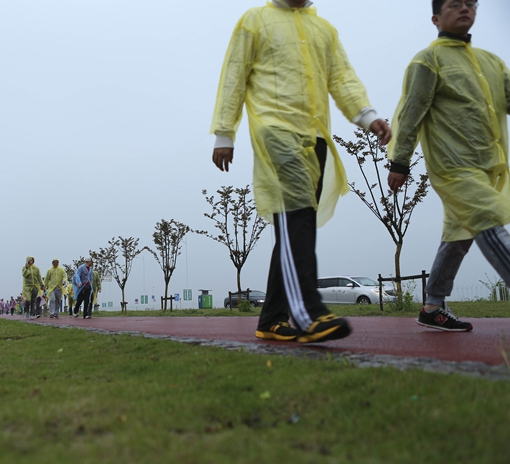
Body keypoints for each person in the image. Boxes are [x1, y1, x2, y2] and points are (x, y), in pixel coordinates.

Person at [211, 0, 391, 343]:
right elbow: (234, 75)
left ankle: (272, 319)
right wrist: (224, 133)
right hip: (275, 131)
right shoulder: (255, 20)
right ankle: (309, 313)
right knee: (299, 215)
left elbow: (342, 77)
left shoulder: (324, 30)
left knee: (293, 225)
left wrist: (367, 116)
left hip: (316, 137)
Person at [388, 0, 510, 332]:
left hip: (489, 167)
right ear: (436, 18)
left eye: (471, 3)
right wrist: (400, 162)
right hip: (453, 167)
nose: (465, 8)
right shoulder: (428, 60)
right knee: (488, 220)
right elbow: (411, 113)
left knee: (458, 235)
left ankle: (432, 305)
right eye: (455, 4)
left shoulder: (491, 62)